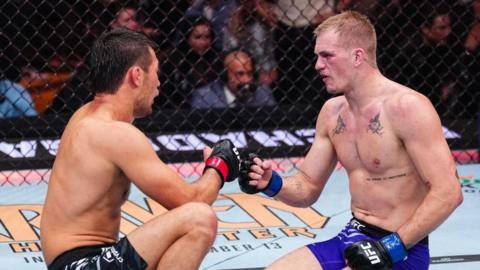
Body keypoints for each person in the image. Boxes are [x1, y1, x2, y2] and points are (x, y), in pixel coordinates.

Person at [238, 11, 463, 270]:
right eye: (317, 57)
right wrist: (270, 182)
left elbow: (449, 192)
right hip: (352, 237)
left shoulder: (408, 107)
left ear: (357, 56)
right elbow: (307, 186)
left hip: (402, 249)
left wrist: (390, 248)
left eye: (327, 56)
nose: (318, 66)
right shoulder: (332, 113)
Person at [40, 28, 241, 270]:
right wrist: (219, 165)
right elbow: (192, 201)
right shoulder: (115, 134)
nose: (158, 83)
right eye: (155, 72)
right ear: (136, 75)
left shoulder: (86, 115)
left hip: (80, 261)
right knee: (199, 218)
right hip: (81, 265)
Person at [191, 49, 276, 108]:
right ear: (225, 75)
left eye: (249, 74)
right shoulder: (204, 97)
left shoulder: (263, 93)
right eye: (240, 74)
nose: (246, 80)